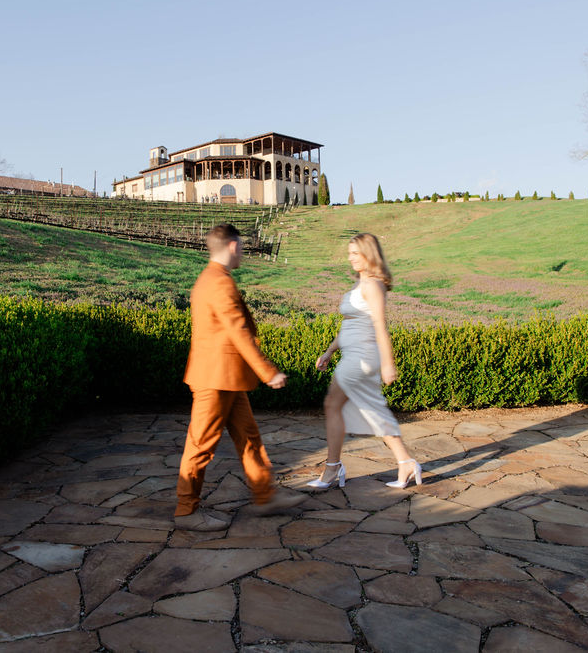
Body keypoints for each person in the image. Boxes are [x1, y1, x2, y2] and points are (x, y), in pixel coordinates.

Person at [175, 224, 307, 531]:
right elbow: (239, 332)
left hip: (227, 377)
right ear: (233, 246)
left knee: (249, 439)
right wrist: (268, 371)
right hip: (216, 379)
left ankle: (265, 495)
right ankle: (185, 511)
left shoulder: (210, 278)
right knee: (200, 445)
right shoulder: (219, 283)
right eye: (243, 248)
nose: (244, 254)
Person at [307, 232, 423, 491]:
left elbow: (380, 327)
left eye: (356, 253)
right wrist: (329, 352)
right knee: (371, 410)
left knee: (332, 404)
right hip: (352, 355)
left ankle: (332, 468)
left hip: (362, 358)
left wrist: (388, 363)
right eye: (350, 254)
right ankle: (405, 462)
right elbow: (349, 327)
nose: (351, 259)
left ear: (369, 254)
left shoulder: (372, 286)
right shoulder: (360, 286)